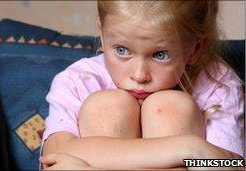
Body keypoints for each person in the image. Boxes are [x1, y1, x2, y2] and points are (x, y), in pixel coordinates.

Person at [40, 1, 244, 170]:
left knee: (169, 106)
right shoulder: (79, 80)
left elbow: (233, 165)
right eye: (121, 50)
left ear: (195, 49)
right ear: (102, 33)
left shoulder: (218, 84)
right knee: (107, 106)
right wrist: (189, 149)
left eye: (160, 55)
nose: (139, 75)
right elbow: (54, 157)